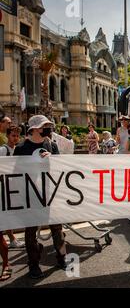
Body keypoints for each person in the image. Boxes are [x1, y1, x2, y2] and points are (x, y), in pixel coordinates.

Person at [13, 115, 67, 279]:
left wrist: (53, 160)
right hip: (30, 196)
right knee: (30, 232)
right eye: (45, 126)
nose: (49, 129)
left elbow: (62, 168)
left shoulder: (51, 145)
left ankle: (62, 258)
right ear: (35, 128)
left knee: (57, 229)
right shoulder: (21, 148)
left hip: (50, 194)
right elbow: (16, 174)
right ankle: (34, 264)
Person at [0, 125, 26, 250]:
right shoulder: (3, 150)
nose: (15, 138)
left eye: (17, 136)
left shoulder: (17, 149)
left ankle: (12, 238)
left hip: (12, 185)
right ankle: (12, 239)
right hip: (3, 186)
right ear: (7, 136)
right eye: (13, 135)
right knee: (6, 213)